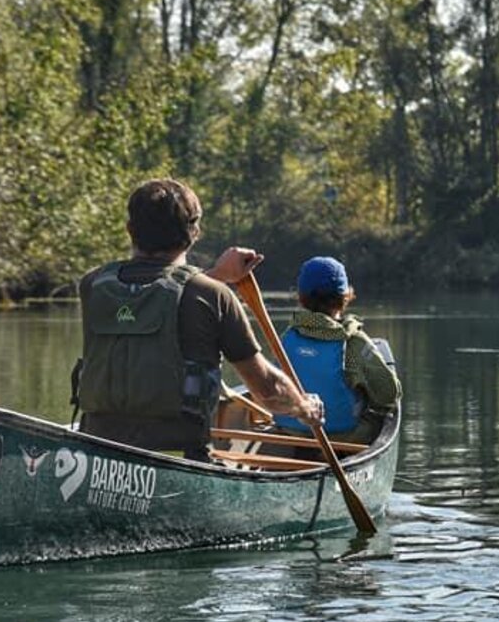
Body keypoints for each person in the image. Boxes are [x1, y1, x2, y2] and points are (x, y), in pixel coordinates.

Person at [73, 178, 323, 461]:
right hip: (179, 455)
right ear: (195, 232)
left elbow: (154, 293)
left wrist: (215, 275)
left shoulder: (93, 285)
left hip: (96, 453)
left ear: (130, 229)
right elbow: (267, 390)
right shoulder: (212, 295)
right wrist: (304, 407)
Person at [273, 256, 401, 444]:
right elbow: (388, 394)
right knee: (379, 415)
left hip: (291, 431)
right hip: (345, 435)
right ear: (345, 297)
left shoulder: (287, 337)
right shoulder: (353, 342)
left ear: (301, 297)